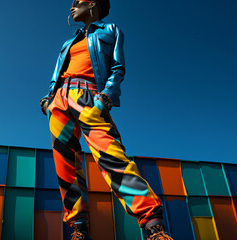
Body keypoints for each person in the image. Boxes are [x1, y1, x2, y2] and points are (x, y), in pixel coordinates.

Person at [39, 1, 173, 239]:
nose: (71, 7)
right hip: (59, 101)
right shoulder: (68, 41)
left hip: (89, 95)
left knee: (111, 156)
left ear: (92, 4)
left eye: (77, 2)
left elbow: (118, 68)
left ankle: (153, 225)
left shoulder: (110, 30)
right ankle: (79, 227)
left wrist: (105, 98)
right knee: (65, 164)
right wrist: (49, 99)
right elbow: (57, 72)